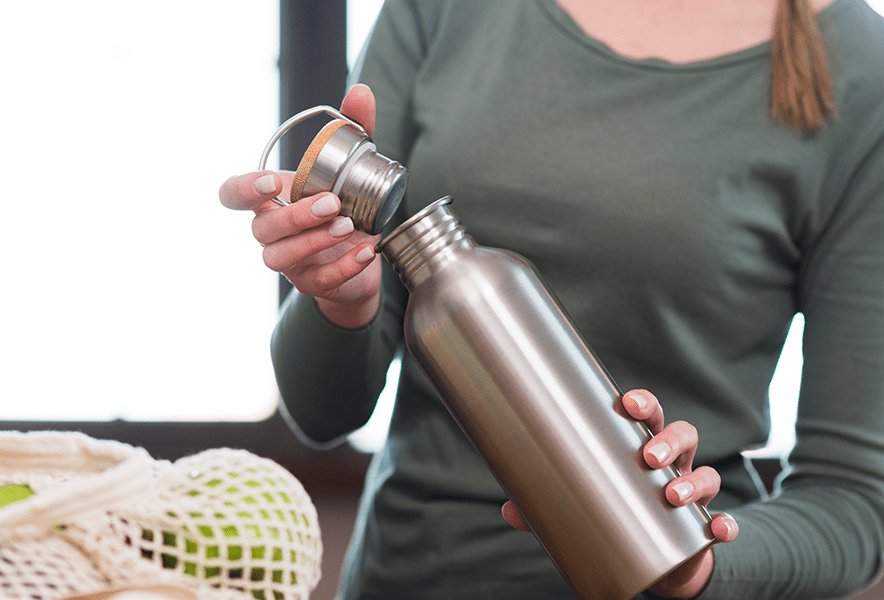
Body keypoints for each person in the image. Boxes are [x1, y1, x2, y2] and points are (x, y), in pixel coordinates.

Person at [219, 0, 884, 598]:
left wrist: (701, 563)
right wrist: (341, 300)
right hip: (417, 576)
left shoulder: (860, 69)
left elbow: (855, 499)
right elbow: (322, 412)